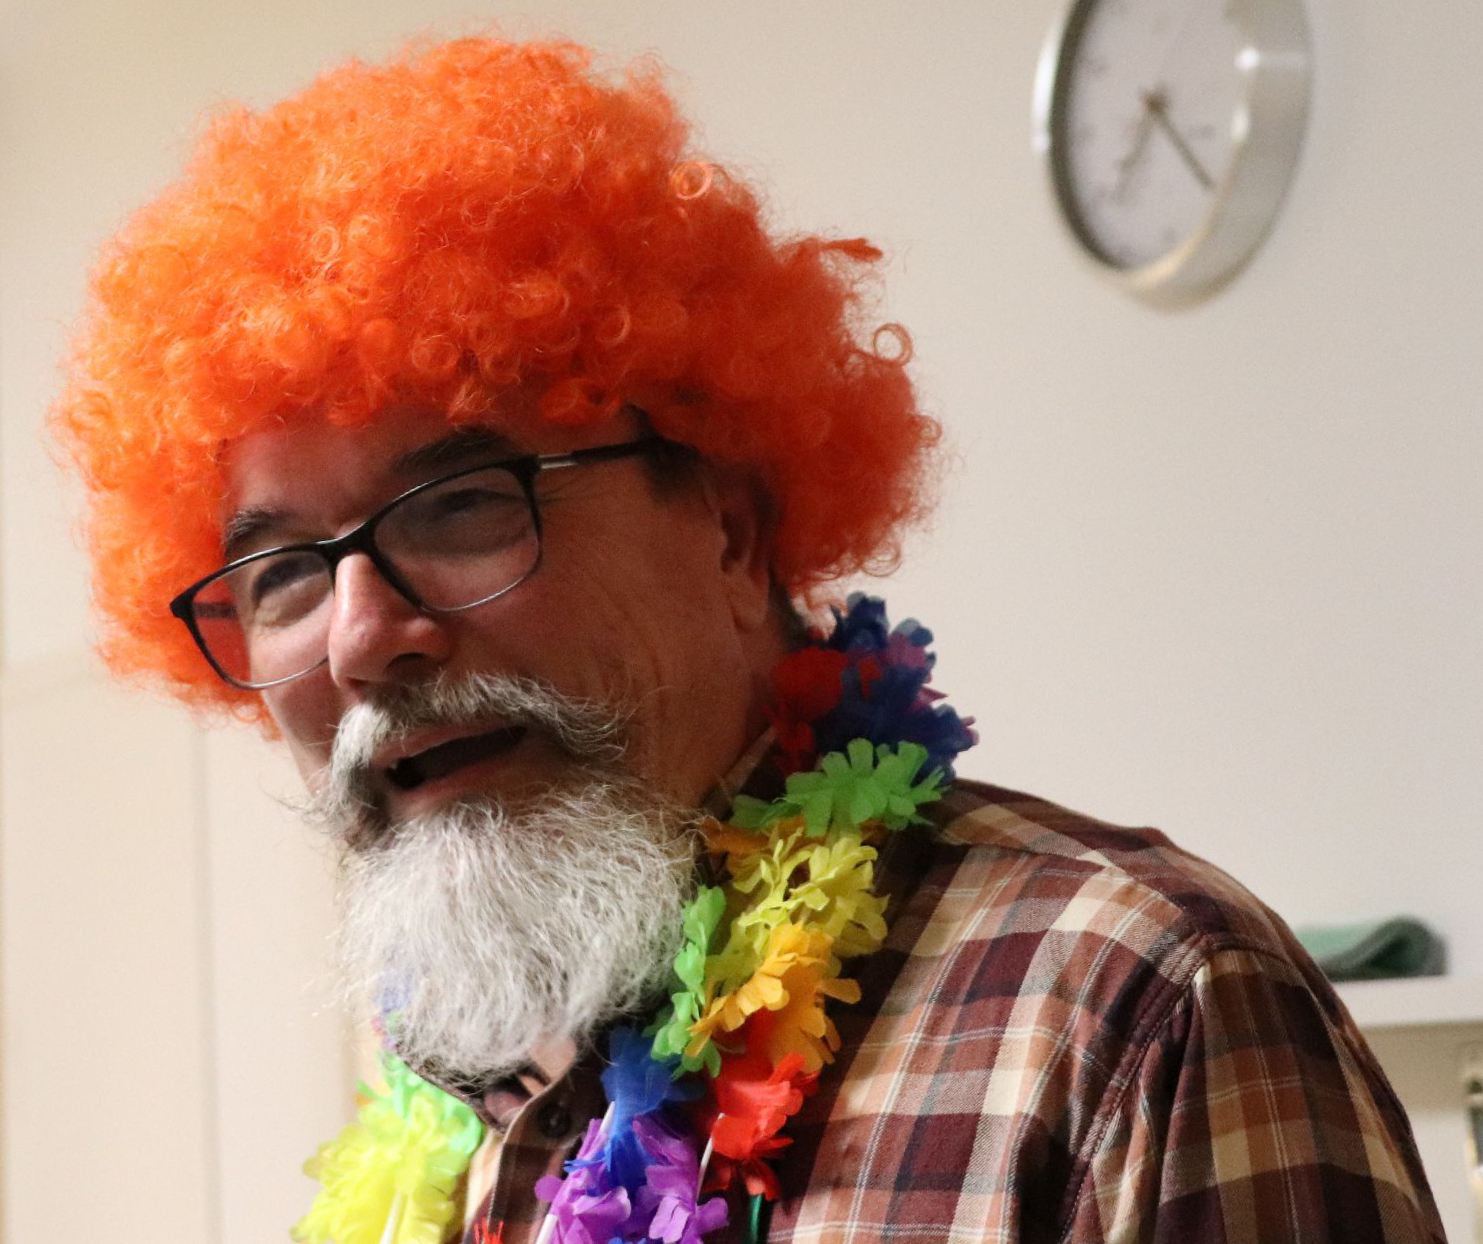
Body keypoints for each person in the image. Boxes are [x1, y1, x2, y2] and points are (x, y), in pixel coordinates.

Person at [53, 35, 1444, 1244]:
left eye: (462, 504)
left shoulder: (1129, 1008)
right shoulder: (452, 1094)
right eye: (283, 573)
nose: (364, 637)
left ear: (728, 529)